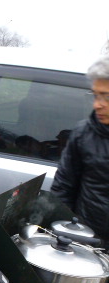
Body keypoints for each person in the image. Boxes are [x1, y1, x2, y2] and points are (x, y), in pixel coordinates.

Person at [51, 55, 109, 245]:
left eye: (106, 97)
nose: (97, 104)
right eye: (95, 95)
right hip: (89, 242)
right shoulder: (83, 134)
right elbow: (63, 188)